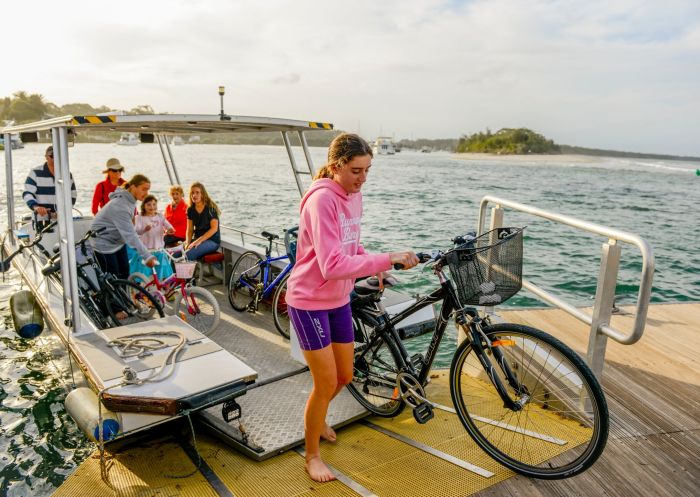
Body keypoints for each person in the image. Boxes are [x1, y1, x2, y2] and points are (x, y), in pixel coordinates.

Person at [284, 133, 419, 482]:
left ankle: (319, 419)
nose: (363, 178)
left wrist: (381, 266)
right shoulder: (321, 201)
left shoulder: (353, 196)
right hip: (309, 301)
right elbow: (330, 265)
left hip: (338, 300)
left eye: (367, 170)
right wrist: (386, 257)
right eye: (356, 170)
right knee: (325, 381)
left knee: (345, 376)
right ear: (336, 166)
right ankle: (311, 455)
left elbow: (353, 248)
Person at [90, 174, 157, 282]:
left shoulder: (130, 201)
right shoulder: (120, 205)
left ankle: (124, 297)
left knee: (125, 272)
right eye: (144, 189)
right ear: (133, 187)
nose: (146, 194)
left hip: (117, 241)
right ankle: (108, 298)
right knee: (113, 278)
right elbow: (130, 235)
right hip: (103, 243)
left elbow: (130, 228)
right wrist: (147, 256)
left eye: (148, 190)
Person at [22, 145, 77, 228]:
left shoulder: (67, 174)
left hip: (62, 220)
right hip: (41, 219)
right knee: (42, 240)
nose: (55, 159)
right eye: (52, 156)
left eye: (58, 156)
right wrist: (36, 207)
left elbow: (72, 195)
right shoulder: (35, 173)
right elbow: (27, 193)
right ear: (46, 157)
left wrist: (64, 210)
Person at [129, 195, 175, 280]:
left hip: (159, 250)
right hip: (146, 251)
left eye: (154, 204)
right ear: (144, 206)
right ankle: (141, 287)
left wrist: (170, 229)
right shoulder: (140, 217)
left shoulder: (160, 216)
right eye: (149, 204)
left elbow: (168, 225)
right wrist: (144, 229)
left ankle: (163, 287)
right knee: (143, 273)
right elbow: (136, 232)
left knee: (162, 273)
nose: (152, 207)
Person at [184, 182, 221, 260]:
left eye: (197, 193)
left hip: (212, 241)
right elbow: (190, 230)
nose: (194, 195)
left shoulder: (210, 208)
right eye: (192, 193)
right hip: (197, 239)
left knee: (188, 254)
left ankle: (190, 272)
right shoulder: (190, 210)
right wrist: (187, 243)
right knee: (175, 255)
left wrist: (198, 241)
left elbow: (214, 229)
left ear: (202, 194)